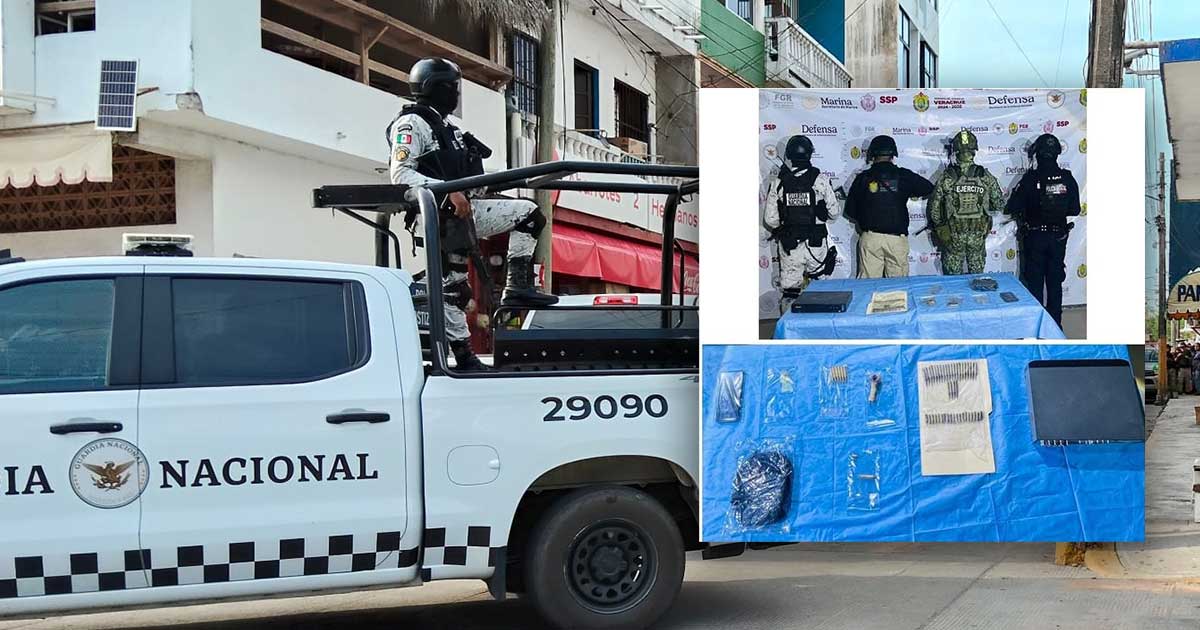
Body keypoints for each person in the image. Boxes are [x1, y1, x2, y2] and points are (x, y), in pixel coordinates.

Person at [387, 58, 557, 371]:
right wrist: (447, 191)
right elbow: (401, 173)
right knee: (454, 288)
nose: (456, 94)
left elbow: (467, 176)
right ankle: (464, 356)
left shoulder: (448, 128)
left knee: (530, 215)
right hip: (439, 216)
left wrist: (500, 181)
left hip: (465, 211)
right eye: (452, 87)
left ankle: (517, 286)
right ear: (435, 87)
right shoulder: (411, 124)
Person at [1004, 133, 1081, 326]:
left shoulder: (1031, 178)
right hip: (1058, 238)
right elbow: (1075, 209)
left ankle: (1036, 327)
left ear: (1036, 154)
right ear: (1057, 153)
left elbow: (1012, 207)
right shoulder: (1067, 178)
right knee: (1055, 284)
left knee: (1035, 284)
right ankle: (1055, 328)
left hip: (1035, 237)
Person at [763, 134, 841, 314]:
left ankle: (790, 328)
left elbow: (770, 219)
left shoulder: (779, 183)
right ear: (810, 154)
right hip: (816, 244)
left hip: (791, 245)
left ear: (789, 155)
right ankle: (821, 326)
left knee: (790, 292)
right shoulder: (820, 180)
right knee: (820, 288)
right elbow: (834, 212)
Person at [843, 134, 935, 278]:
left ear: (872, 155)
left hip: (871, 238)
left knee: (869, 286)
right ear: (893, 154)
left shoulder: (863, 178)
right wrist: (905, 192)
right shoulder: (904, 176)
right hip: (896, 240)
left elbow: (851, 211)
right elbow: (928, 188)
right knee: (897, 287)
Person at [928, 129, 1004, 275]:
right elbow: (999, 204)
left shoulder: (947, 178)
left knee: (953, 282)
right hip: (977, 236)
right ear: (974, 151)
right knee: (977, 280)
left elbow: (934, 210)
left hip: (953, 237)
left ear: (955, 151)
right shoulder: (985, 176)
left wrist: (942, 229)